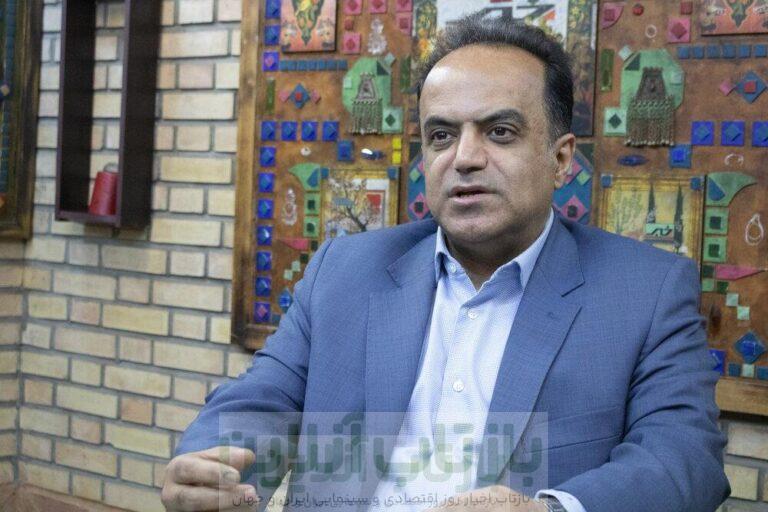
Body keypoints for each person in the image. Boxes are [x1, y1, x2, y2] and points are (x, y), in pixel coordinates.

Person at [162, 14, 730, 512]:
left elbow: (684, 459)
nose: (464, 158)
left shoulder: (645, 291)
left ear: (560, 160)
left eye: (499, 132)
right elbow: (260, 401)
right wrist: (209, 466)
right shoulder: (345, 269)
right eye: (441, 135)